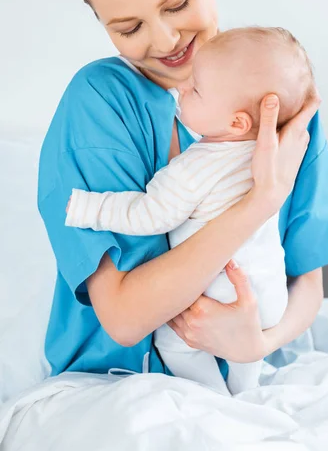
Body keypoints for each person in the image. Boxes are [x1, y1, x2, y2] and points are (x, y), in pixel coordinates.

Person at [38, 0, 328, 380]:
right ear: (100, 22)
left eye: (177, 4)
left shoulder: (272, 85)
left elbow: (306, 281)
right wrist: (260, 202)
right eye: (129, 28)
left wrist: (259, 343)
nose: (165, 40)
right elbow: (123, 317)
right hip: (116, 383)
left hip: (250, 370)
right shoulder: (99, 103)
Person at [64, 25, 315, 395]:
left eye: (195, 89)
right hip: (270, 298)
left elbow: (150, 214)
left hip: (220, 296)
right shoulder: (277, 152)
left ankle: (215, 398)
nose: (182, 89)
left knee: (174, 342)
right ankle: (246, 391)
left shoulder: (197, 167)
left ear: (236, 122)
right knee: (249, 361)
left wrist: (90, 208)